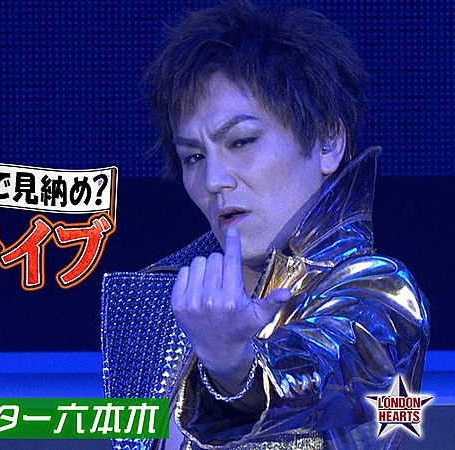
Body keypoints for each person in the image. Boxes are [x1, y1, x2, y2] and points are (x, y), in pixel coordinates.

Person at [100, 1, 430, 449]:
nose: (214, 179)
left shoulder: (379, 297)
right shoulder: (161, 299)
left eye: (241, 141)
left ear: (327, 141)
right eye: (193, 157)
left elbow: (327, 374)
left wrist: (232, 367)